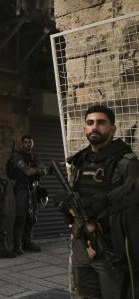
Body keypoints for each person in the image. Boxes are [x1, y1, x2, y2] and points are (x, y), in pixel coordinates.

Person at [63, 105, 139, 298]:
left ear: (112, 128)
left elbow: (134, 198)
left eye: (101, 122)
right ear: (84, 128)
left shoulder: (126, 161)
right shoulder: (80, 161)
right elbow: (73, 194)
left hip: (111, 246)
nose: (94, 127)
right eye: (90, 123)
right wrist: (68, 208)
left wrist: (104, 205)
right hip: (82, 244)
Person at [11, 134, 47, 255]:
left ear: (32, 144)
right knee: (21, 217)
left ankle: (27, 242)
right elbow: (27, 171)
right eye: (25, 142)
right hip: (21, 189)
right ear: (22, 143)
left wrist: (36, 170)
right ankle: (17, 245)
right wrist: (37, 170)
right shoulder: (17, 156)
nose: (27, 144)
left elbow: (44, 169)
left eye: (29, 142)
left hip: (32, 190)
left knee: (31, 217)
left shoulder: (34, 156)